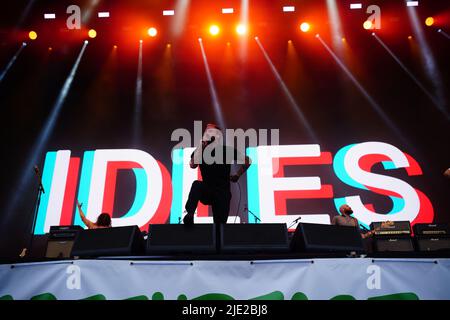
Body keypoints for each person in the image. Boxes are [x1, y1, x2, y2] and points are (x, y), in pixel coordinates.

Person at [183, 123, 252, 225]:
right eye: (206, 131)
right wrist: (201, 147)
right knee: (197, 185)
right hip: (208, 190)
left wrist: (237, 175)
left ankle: (219, 236)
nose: (206, 133)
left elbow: (248, 160)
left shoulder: (226, 150)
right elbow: (193, 165)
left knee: (220, 227)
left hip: (222, 193)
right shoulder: (201, 150)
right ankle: (190, 214)